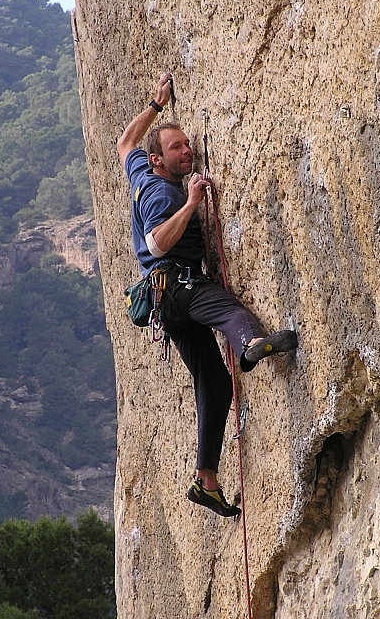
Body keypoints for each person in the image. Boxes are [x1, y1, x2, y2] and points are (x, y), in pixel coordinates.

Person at [116, 73, 298, 517]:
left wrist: (156, 107)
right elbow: (157, 243)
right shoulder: (161, 192)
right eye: (177, 148)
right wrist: (193, 202)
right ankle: (252, 344)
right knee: (223, 305)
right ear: (158, 160)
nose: (187, 151)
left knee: (214, 382)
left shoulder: (140, 171)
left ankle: (207, 482)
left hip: (165, 308)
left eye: (186, 145)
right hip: (175, 285)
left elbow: (124, 144)